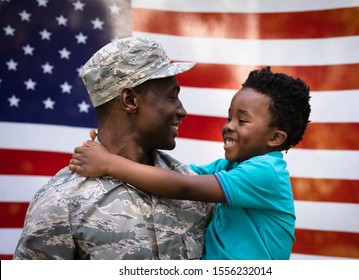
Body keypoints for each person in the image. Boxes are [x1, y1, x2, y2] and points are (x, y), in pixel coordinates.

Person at [69, 66, 312, 260]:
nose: (229, 126)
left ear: (275, 138)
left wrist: (109, 163)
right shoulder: (231, 167)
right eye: (230, 117)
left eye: (242, 121)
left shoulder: (266, 173)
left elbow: (184, 186)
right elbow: (179, 174)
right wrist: (109, 150)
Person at [13, 37, 214, 260]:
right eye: (172, 96)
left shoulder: (192, 188)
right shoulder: (62, 203)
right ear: (130, 100)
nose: (182, 110)